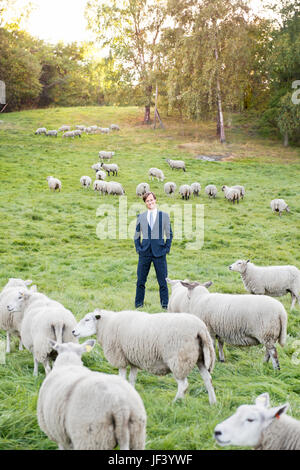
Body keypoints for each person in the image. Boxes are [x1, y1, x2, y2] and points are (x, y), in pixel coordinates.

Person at [134, 191, 173, 309]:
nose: (150, 202)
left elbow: (169, 234)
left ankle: (165, 306)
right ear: (145, 203)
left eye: (151, 200)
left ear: (155, 200)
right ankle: (138, 306)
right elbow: (136, 235)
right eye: (147, 201)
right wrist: (138, 248)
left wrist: (166, 248)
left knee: (163, 282)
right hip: (144, 253)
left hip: (159, 253)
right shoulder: (141, 217)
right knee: (140, 281)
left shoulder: (164, 216)